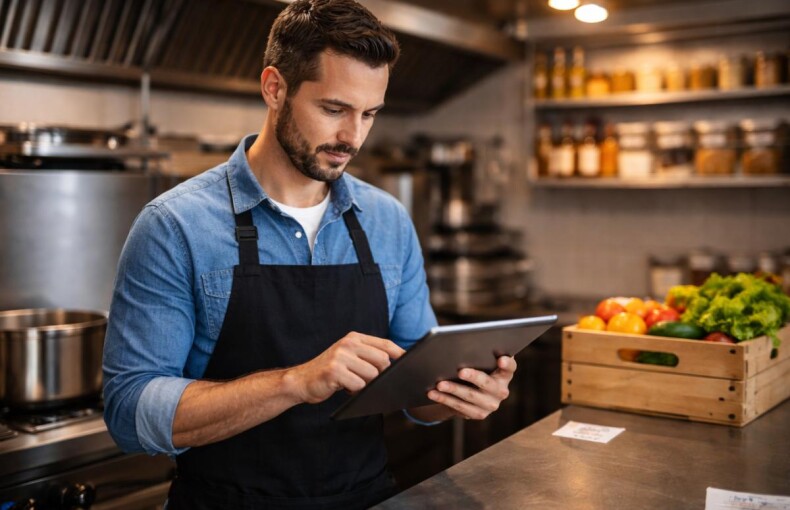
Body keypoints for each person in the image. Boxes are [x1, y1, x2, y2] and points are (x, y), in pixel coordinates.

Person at [102, 0, 517, 508]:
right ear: (274, 88)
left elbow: (418, 394)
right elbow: (128, 413)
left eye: (369, 114)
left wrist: (460, 394)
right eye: (334, 110)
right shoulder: (175, 226)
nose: (352, 137)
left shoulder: (387, 221)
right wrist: (296, 382)